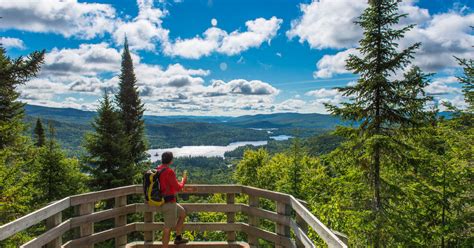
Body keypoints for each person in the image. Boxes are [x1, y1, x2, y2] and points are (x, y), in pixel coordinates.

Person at [157, 151, 188, 247]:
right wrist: (183, 180)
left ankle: (178, 237)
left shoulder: (158, 169)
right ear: (171, 160)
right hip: (168, 203)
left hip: (162, 200)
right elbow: (178, 187)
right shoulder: (169, 171)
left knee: (182, 213)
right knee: (167, 228)